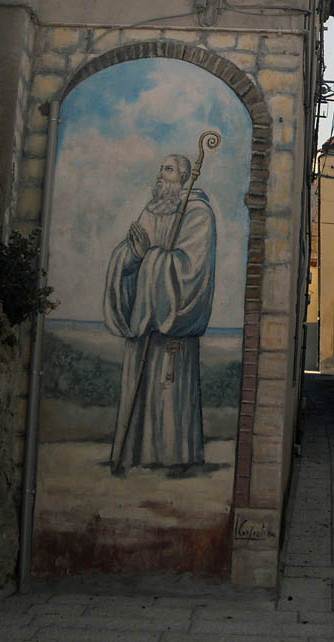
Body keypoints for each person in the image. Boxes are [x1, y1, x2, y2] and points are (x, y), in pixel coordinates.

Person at [103, 154, 217, 475]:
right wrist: (132, 259)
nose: (160, 174)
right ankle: (134, 452)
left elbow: (192, 270)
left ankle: (173, 457)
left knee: (168, 392)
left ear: (183, 177)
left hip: (171, 325)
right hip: (143, 324)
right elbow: (130, 249)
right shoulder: (153, 210)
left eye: (167, 169)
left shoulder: (197, 214)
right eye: (160, 168)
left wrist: (150, 260)